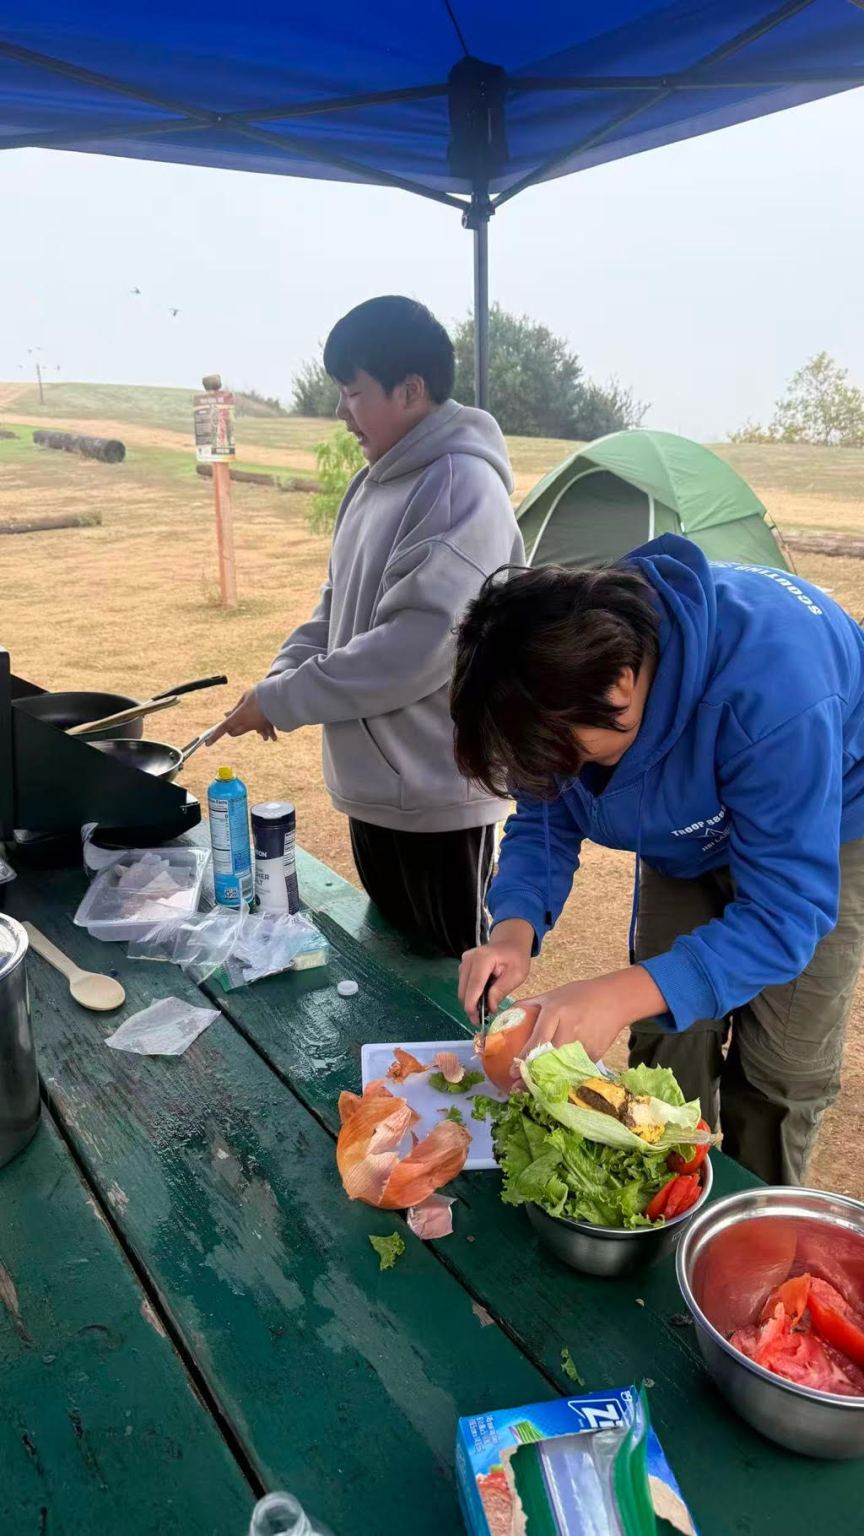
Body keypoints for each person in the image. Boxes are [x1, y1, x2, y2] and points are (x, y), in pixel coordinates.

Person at [452, 533, 864, 1185]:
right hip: (689, 832)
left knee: (782, 1071)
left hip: (825, 822)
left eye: (571, 754)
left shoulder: (775, 692)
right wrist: (513, 929)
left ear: (622, 684)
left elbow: (786, 914)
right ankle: (665, 1190)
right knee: (668, 1040)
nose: (562, 772)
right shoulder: (559, 677)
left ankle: (750, 1214)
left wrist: (612, 995)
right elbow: (544, 816)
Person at [209, 295, 523, 956]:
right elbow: (334, 609)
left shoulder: (460, 487)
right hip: (376, 791)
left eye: (353, 392)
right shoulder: (372, 483)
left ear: (410, 390)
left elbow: (416, 648)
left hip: (438, 796)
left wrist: (285, 699)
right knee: (394, 967)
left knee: (451, 982)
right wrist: (277, 680)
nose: (341, 411)